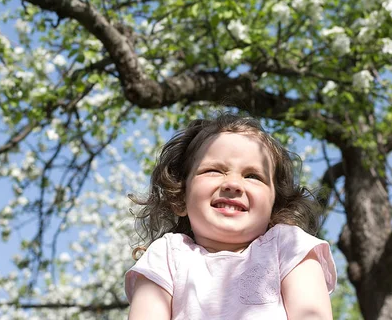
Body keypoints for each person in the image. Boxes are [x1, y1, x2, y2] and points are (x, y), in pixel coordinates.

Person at [125, 114, 337, 319]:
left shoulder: (289, 247)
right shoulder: (167, 256)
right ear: (180, 198)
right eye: (214, 171)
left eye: (253, 176)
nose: (233, 184)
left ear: (275, 206)